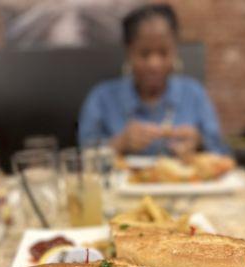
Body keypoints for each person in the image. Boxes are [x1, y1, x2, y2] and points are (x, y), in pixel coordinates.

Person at [78, 4, 229, 157]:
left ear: (175, 51)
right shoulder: (101, 97)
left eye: (163, 53)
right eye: (144, 54)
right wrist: (118, 144)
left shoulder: (195, 94)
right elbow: (83, 157)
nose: (154, 64)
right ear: (129, 53)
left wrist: (199, 142)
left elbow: (223, 153)